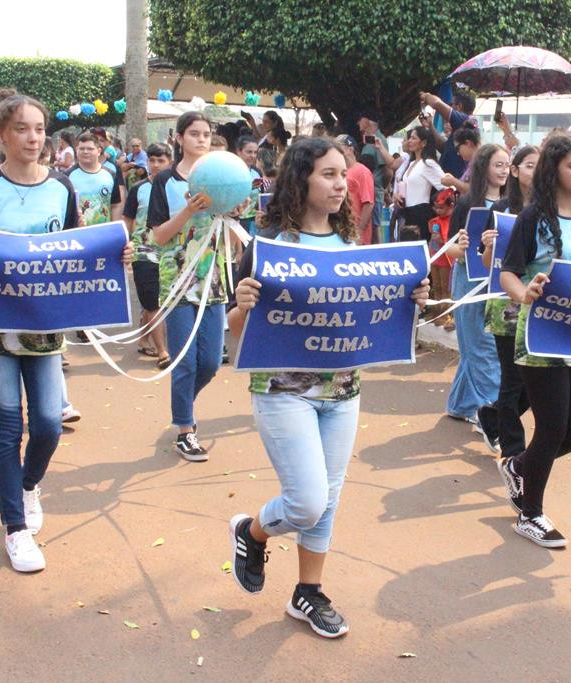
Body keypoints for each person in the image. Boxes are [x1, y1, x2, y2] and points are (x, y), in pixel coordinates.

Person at [228, 136, 430, 638]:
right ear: (301, 179)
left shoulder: (351, 247)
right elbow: (233, 329)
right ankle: (251, 532)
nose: (341, 185)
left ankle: (308, 593)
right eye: (328, 174)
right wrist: (242, 305)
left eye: (344, 174)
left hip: (343, 392)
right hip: (283, 391)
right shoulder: (270, 247)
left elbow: (372, 314)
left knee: (329, 499)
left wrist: (412, 299)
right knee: (307, 501)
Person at [0, 94, 132, 572]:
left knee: (50, 423)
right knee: (7, 422)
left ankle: (28, 483)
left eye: (39, 129)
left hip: (44, 325)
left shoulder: (61, 187)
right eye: (22, 129)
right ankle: (15, 529)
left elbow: (74, 248)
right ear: (2, 135)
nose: (33, 138)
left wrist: (114, 258)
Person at [497, 134, 571, 548]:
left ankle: (521, 467)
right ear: (554, 168)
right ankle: (530, 513)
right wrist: (523, 295)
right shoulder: (534, 217)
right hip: (540, 335)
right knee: (553, 427)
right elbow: (508, 272)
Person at [148, 111, 227, 462]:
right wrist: (187, 211)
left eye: (206, 134)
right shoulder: (165, 181)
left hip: (214, 277)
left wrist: (234, 209)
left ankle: (183, 407)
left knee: (210, 362)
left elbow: (233, 220)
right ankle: (185, 429)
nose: (201, 139)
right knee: (185, 362)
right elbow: (159, 235)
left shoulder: (222, 177)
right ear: (179, 138)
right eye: (194, 133)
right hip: (178, 279)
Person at [479, 144, 539, 457]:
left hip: (540, 306)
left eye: (540, 165)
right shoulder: (502, 208)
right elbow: (487, 262)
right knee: (513, 378)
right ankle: (513, 451)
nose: (535, 171)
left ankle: (493, 415)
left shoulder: (549, 209)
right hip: (506, 304)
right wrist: (488, 244)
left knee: (534, 380)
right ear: (515, 171)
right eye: (529, 165)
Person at [445, 144, 507, 427]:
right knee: (481, 346)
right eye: (498, 165)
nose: (504, 170)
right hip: (469, 283)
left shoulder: (510, 205)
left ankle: (461, 404)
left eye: (507, 165)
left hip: (498, 283)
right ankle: (492, 416)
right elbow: (450, 250)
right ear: (484, 167)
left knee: (478, 346)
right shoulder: (468, 204)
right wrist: (464, 248)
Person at [123, 142, 173, 369]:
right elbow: (128, 221)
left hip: (170, 253)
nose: (155, 165)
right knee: (152, 302)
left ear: (169, 161)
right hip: (143, 253)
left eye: (161, 160)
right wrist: (124, 245)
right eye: (152, 160)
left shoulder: (176, 187)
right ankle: (163, 351)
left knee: (158, 301)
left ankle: (144, 338)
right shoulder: (138, 189)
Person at [356, 111, 398, 245]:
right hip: (367, 191)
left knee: (374, 227)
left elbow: (387, 170)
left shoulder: (379, 140)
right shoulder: (369, 140)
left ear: (367, 120)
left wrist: (380, 188)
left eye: (360, 119)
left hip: (374, 192)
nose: (358, 123)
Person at [397, 126, 445, 242]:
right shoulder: (411, 163)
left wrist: (438, 205)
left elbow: (446, 186)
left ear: (423, 143)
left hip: (421, 213)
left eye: (414, 138)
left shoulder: (428, 163)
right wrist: (397, 195)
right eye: (410, 138)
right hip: (407, 212)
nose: (410, 141)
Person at [419, 89, 478, 178]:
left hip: (456, 183)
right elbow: (444, 148)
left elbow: (436, 104)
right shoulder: (461, 125)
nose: (450, 106)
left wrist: (426, 96)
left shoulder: (464, 120)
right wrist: (430, 126)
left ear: (459, 106)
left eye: (452, 104)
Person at [66, 133, 121, 225]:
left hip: (104, 233)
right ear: (76, 150)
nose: (85, 152)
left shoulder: (110, 175)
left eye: (90, 149)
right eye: (82, 149)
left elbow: (115, 205)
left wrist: (115, 229)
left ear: (99, 151)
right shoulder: (67, 176)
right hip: (78, 235)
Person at [426, 188, 457, 327]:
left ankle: (447, 316)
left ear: (451, 206)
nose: (438, 211)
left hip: (446, 260)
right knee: (436, 286)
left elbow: (451, 240)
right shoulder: (434, 221)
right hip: (435, 258)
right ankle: (436, 313)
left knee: (446, 288)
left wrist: (441, 239)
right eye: (436, 208)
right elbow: (432, 241)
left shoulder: (453, 221)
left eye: (441, 208)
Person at [336, 135, 375, 244]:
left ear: (350, 148)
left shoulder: (362, 171)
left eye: (339, 146)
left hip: (356, 235)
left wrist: (359, 232)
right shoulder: (340, 172)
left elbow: (368, 204)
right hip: (342, 231)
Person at [235, 134, 263, 236]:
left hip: (254, 221)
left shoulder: (257, 172)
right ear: (239, 151)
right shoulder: (231, 172)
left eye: (255, 152)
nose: (253, 156)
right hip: (236, 220)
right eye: (249, 152)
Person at [441, 126, 481, 195]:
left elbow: (475, 190)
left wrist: (453, 181)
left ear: (467, 143)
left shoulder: (482, 162)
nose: (458, 153)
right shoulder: (472, 163)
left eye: (457, 148)